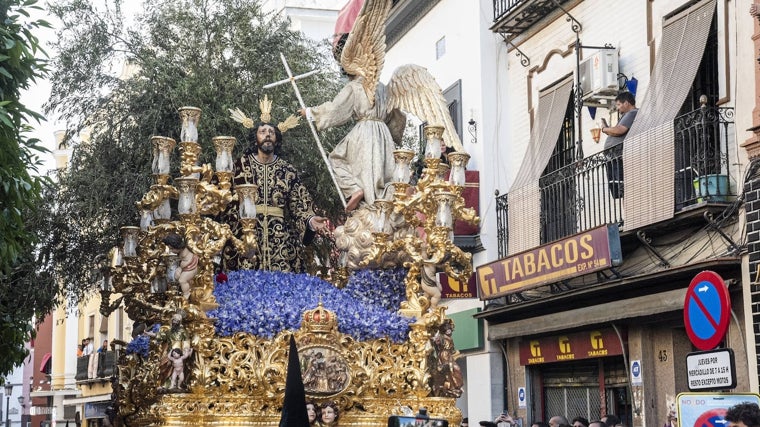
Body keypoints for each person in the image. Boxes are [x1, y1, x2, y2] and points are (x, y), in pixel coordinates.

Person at [224, 115, 328, 272]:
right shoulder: (239, 166)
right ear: (255, 138)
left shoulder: (287, 170)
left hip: (280, 238)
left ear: (277, 140)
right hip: (248, 234)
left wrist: (310, 220)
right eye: (263, 131)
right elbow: (226, 200)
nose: (267, 135)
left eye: (271, 132)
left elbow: (299, 203)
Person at [301, 69, 396, 213]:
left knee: (337, 158)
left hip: (365, 132)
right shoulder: (383, 87)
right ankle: (380, 205)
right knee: (382, 172)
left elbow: (336, 110)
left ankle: (356, 190)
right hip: (384, 135)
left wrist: (310, 112)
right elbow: (397, 115)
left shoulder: (355, 86)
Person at [601, 92, 637, 199]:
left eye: (618, 105)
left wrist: (604, 129)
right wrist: (608, 129)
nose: (618, 108)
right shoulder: (627, 115)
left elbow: (619, 130)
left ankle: (629, 214)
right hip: (614, 157)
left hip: (618, 156)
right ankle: (627, 213)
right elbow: (616, 131)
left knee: (623, 189)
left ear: (626, 103)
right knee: (620, 190)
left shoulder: (632, 113)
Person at [163, 233, 198, 299]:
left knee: (182, 280)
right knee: (180, 279)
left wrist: (180, 268)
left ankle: (186, 294)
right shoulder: (181, 252)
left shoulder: (184, 252)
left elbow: (187, 261)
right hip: (187, 267)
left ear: (177, 246)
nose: (171, 251)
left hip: (191, 268)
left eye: (172, 249)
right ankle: (187, 290)